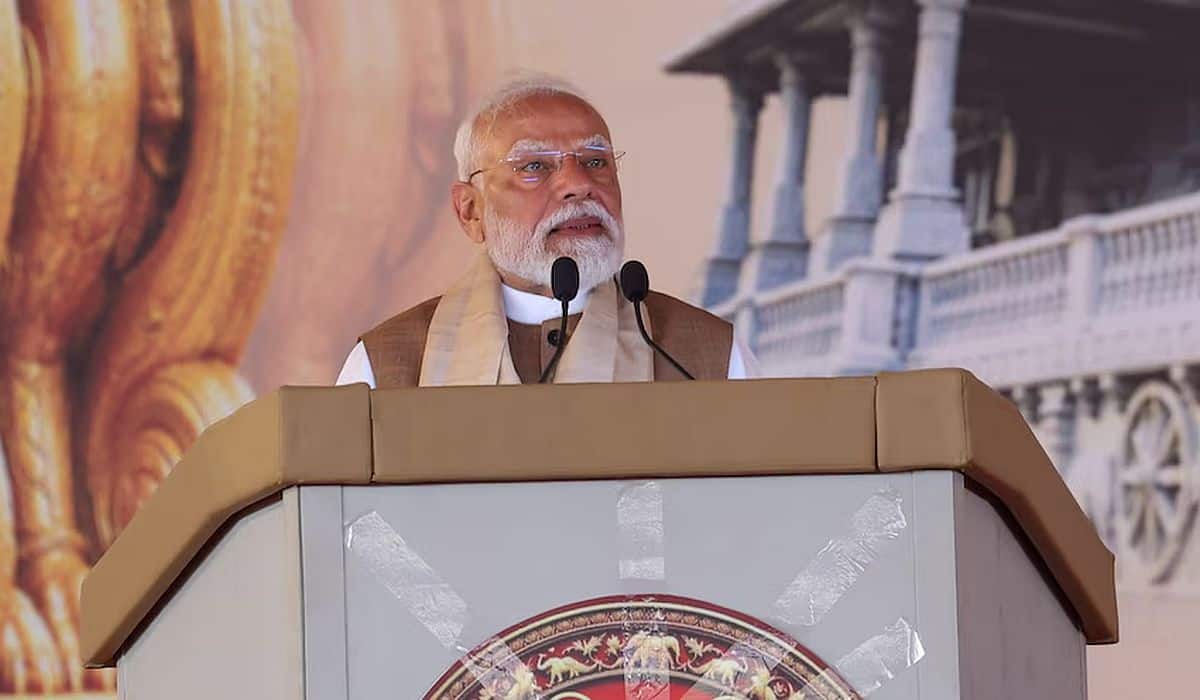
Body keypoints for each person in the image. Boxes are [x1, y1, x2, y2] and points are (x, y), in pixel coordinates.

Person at [336, 74, 756, 388]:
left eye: (595, 160)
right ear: (470, 211)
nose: (578, 184)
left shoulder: (708, 356)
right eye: (534, 166)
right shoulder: (386, 366)